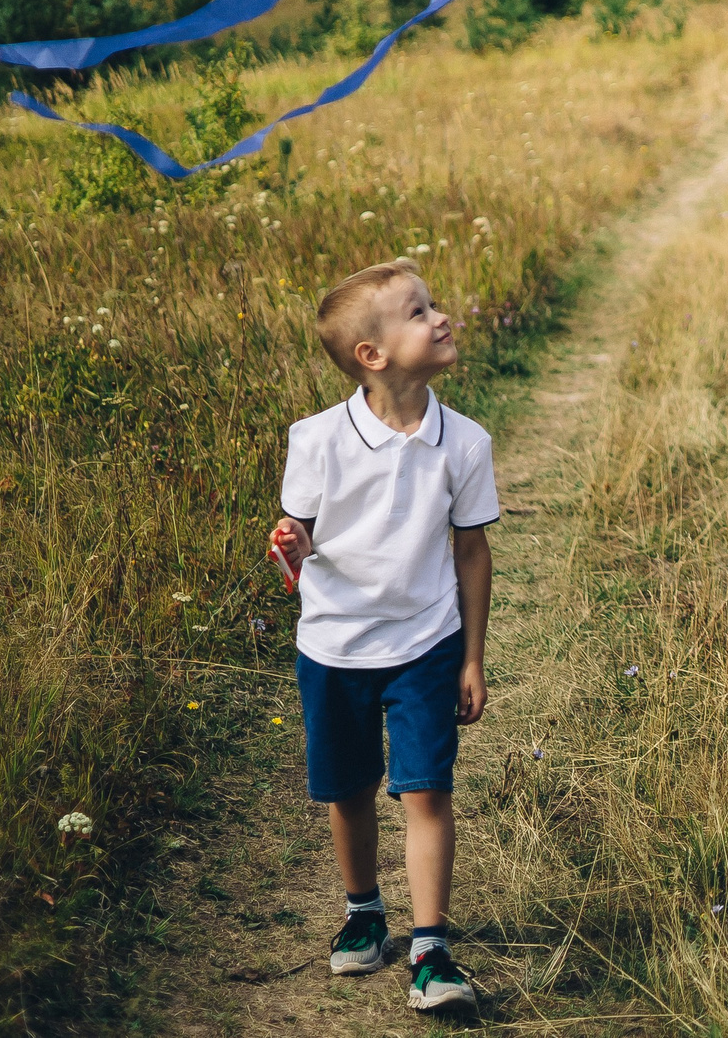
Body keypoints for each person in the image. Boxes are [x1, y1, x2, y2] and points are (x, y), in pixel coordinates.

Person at [268, 257, 498, 1014]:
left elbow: (470, 549)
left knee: (427, 789)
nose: (440, 316)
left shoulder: (463, 443)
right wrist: (292, 544)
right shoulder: (317, 438)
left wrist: (470, 655)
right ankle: (363, 909)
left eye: (433, 304)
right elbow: (297, 527)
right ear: (372, 354)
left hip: (426, 643)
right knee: (351, 788)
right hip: (333, 646)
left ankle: (431, 949)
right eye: (417, 311)